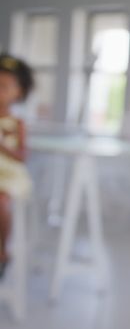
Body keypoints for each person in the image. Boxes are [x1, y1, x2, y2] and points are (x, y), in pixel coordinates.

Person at [0, 53, 34, 279]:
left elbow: (22, 156)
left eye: (5, 86)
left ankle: (2, 252)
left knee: (2, 201)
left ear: (18, 92)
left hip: (9, 175)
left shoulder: (17, 123)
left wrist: (4, 146)